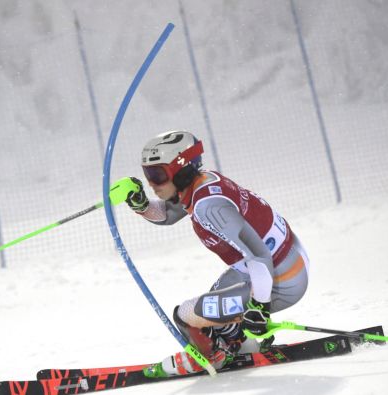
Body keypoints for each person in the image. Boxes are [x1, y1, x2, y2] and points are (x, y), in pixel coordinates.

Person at [125, 131, 310, 377]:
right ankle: (242, 347)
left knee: (187, 316)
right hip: (273, 266)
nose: (151, 183)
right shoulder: (201, 184)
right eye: (148, 174)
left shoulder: (209, 206)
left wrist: (259, 305)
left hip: (281, 279)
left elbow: (260, 255)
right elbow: (168, 215)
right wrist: (142, 205)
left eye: (157, 174)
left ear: (180, 170)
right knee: (213, 310)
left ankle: (212, 359)